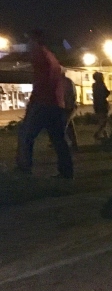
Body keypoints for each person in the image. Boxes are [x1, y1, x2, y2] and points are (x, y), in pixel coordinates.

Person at [15, 29, 73, 179]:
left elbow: (41, 82)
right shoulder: (51, 57)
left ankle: (24, 167)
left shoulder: (39, 54)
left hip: (42, 102)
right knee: (58, 139)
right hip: (56, 103)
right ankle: (66, 171)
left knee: (26, 135)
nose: (28, 44)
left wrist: (33, 101)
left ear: (35, 40)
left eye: (29, 41)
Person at [61, 71, 79, 151]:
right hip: (69, 106)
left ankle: (63, 144)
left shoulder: (64, 82)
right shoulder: (68, 81)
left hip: (67, 107)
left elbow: (68, 95)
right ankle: (74, 144)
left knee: (63, 126)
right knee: (69, 126)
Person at [91, 72, 110, 140]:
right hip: (102, 105)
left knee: (101, 120)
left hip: (97, 105)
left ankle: (105, 135)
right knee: (104, 120)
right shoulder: (101, 85)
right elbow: (106, 93)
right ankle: (98, 133)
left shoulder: (94, 85)